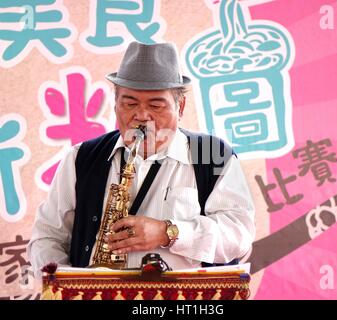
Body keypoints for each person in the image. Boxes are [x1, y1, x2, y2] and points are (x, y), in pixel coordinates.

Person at [27, 41, 255, 277]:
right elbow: (47, 236)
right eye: (130, 104)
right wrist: (68, 283)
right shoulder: (81, 157)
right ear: (115, 104)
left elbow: (238, 234)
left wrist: (168, 232)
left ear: (181, 106)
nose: (142, 116)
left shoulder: (213, 155)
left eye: (156, 105)